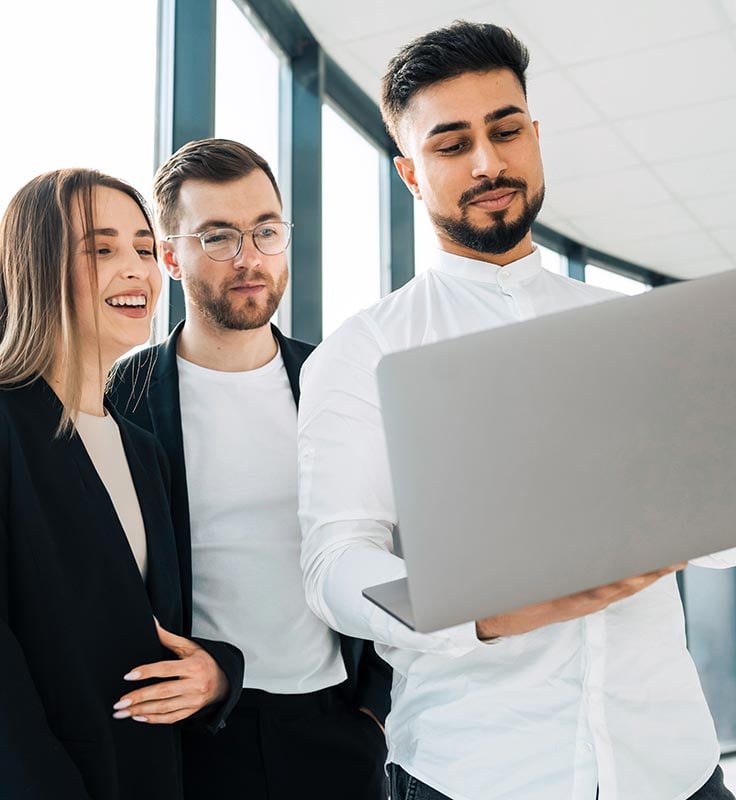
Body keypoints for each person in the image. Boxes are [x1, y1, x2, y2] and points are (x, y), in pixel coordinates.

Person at [297, 20, 736, 800]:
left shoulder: (636, 330)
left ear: (535, 136)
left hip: (671, 766)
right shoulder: (363, 353)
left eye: (506, 132)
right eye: (451, 143)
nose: (488, 162)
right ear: (409, 173)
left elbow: (719, 539)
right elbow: (335, 567)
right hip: (481, 771)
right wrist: (490, 613)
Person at [0, 168, 243, 800]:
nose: (135, 269)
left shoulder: (142, 450)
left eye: (141, 248)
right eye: (100, 249)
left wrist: (219, 676)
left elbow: (143, 629)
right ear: (36, 267)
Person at [109, 138, 391, 799]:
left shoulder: (338, 383)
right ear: (172, 256)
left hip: (337, 726)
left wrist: (377, 708)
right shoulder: (121, 398)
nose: (249, 259)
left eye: (265, 231)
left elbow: (395, 536)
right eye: (219, 237)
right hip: (199, 735)